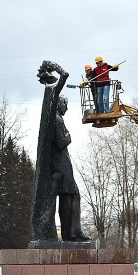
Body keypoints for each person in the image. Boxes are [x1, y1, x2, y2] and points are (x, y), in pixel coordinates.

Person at [54, 96, 90, 242]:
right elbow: (62, 141)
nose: (66, 108)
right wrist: (69, 136)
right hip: (62, 165)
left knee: (67, 197)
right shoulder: (57, 120)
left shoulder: (56, 119)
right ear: (58, 105)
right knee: (73, 195)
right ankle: (73, 232)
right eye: (65, 104)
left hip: (61, 165)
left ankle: (70, 233)